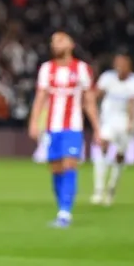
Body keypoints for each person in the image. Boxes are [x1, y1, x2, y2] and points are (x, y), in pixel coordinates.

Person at [28, 32, 100, 228]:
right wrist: (34, 122)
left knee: (70, 164)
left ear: (71, 44)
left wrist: (97, 128)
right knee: (56, 169)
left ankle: (65, 213)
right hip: (52, 127)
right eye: (53, 42)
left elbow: (89, 101)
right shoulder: (46, 69)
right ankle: (62, 207)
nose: (55, 44)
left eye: (60, 40)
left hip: (73, 127)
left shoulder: (82, 69)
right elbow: (41, 98)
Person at [91, 53, 134, 206]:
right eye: (116, 63)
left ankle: (112, 187)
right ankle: (98, 189)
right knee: (102, 146)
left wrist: (131, 122)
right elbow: (97, 94)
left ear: (129, 67)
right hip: (108, 120)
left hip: (126, 121)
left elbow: (132, 104)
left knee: (120, 156)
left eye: (122, 64)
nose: (118, 66)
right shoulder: (107, 78)